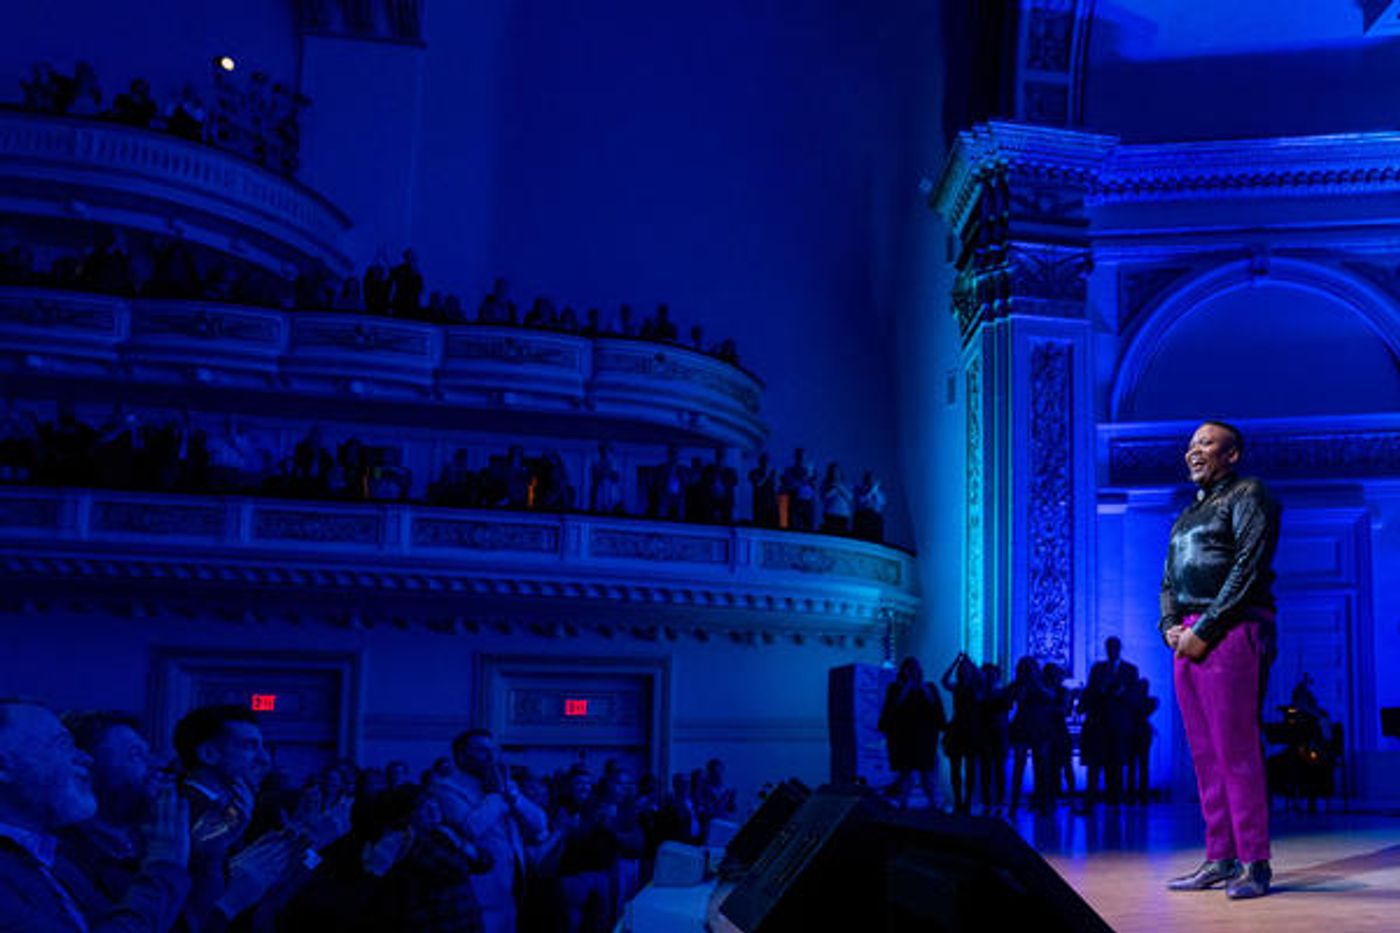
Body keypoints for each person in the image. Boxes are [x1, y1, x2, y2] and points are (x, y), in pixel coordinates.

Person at [1161, 421, 1281, 899]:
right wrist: (1169, 626)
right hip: (1189, 635)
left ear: (1232, 454)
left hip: (1232, 627)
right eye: (1191, 444)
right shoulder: (1186, 515)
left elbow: (1247, 567)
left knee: (1236, 750)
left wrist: (1205, 629)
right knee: (1205, 754)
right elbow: (1168, 580)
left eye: (1206, 443)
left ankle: (1255, 863)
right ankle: (1220, 857)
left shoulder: (1250, 494)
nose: (1194, 451)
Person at [0, 699, 189, 931]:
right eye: (62, 744)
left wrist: (205, 863)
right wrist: (164, 867)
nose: (86, 759)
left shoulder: (47, 856)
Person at [441, 728, 548, 933]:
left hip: (510, 889)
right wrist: (497, 795)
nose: (491, 756)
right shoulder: (446, 789)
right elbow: (471, 829)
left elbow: (540, 823)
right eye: (481, 750)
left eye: (493, 750)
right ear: (461, 756)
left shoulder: (504, 785)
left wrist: (514, 798)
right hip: (477, 891)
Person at [878, 658, 947, 810]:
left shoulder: (929, 687)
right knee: (905, 773)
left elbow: (935, 706)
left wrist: (920, 686)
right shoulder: (895, 688)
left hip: (925, 738)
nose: (914, 671)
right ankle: (903, 804)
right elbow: (893, 706)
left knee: (927, 773)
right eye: (910, 669)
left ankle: (933, 804)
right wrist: (908, 686)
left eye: (916, 668)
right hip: (904, 737)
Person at [1082, 637, 1139, 805]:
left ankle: (1114, 799)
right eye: (1109, 647)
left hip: (1119, 723)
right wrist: (1100, 691)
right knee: (1096, 762)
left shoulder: (1130, 670)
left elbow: (1134, 696)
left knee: (1116, 762)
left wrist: (1122, 693)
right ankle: (1092, 799)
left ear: (1119, 648)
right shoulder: (1098, 669)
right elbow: (1090, 691)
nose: (1112, 650)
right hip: (1100, 722)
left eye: (1114, 647)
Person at [940, 654, 982, 814]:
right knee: (956, 766)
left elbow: (945, 681)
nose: (964, 670)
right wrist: (956, 662)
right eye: (962, 669)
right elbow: (944, 680)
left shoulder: (974, 687)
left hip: (968, 728)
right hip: (960, 728)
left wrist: (969, 664)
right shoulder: (959, 687)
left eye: (966, 668)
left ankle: (966, 800)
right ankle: (959, 799)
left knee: (968, 767)